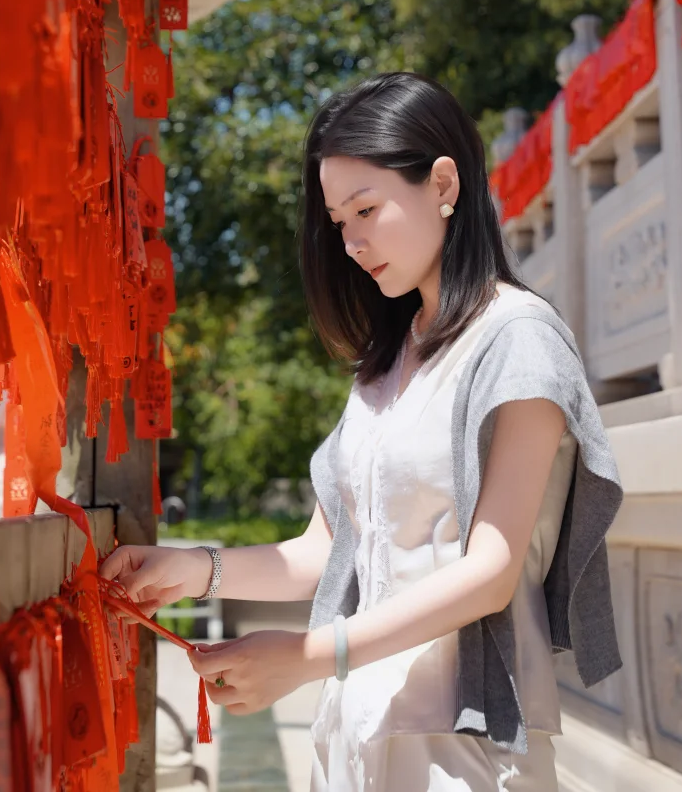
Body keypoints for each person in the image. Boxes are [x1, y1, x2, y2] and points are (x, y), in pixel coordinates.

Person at [101, 72, 624, 791]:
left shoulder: (518, 339)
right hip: (354, 731)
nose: (349, 241)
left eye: (367, 209)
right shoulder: (388, 360)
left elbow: (489, 575)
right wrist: (196, 569)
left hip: (462, 750)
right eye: (338, 219)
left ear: (443, 184)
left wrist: (312, 654)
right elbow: (329, 549)